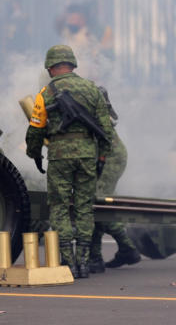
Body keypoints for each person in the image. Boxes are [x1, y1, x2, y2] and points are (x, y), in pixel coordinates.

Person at [25, 45, 115, 278]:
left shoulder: (45, 93)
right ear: (72, 65)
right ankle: (84, 263)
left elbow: (35, 129)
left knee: (60, 207)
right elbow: (106, 129)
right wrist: (102, 156)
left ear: (50, 67)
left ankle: (68, 262)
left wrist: (34, 153)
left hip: (59, 156)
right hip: (87, 155)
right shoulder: (92, 89)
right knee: (85, 208)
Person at [89, 88, 142, 273]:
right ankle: (94, 258)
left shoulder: (95, 107)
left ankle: (128, 248)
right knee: (96, 205)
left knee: (97, 205)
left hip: (109, 158)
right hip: (107, 156)